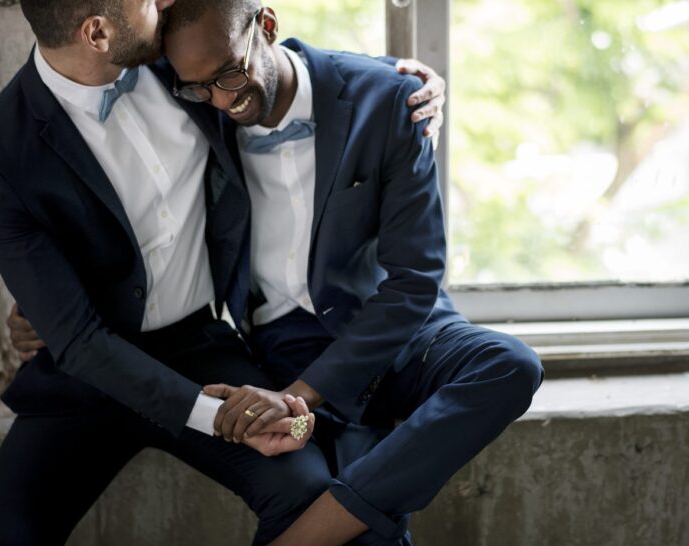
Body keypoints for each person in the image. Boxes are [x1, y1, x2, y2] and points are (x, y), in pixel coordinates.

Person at [0, 0, 445, 544]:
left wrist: (394, 80)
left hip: (203, 353)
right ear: (96, 33)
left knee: (308, 491)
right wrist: (213, 416)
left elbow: (259, 55)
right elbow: (78, 340)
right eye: (145, 1)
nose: (165, 3)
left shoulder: (178, 66)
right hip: (84, 373)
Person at [158, 2, 544, 545]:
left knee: (511, 364)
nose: (222, 99)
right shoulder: (193, 97)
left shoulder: (388, 99)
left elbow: (415, 280)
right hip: (285, 342)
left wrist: (297, 396)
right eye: (201, 88)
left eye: (229, 74)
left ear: (266, 27)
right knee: (368, 536)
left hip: (400, 327)